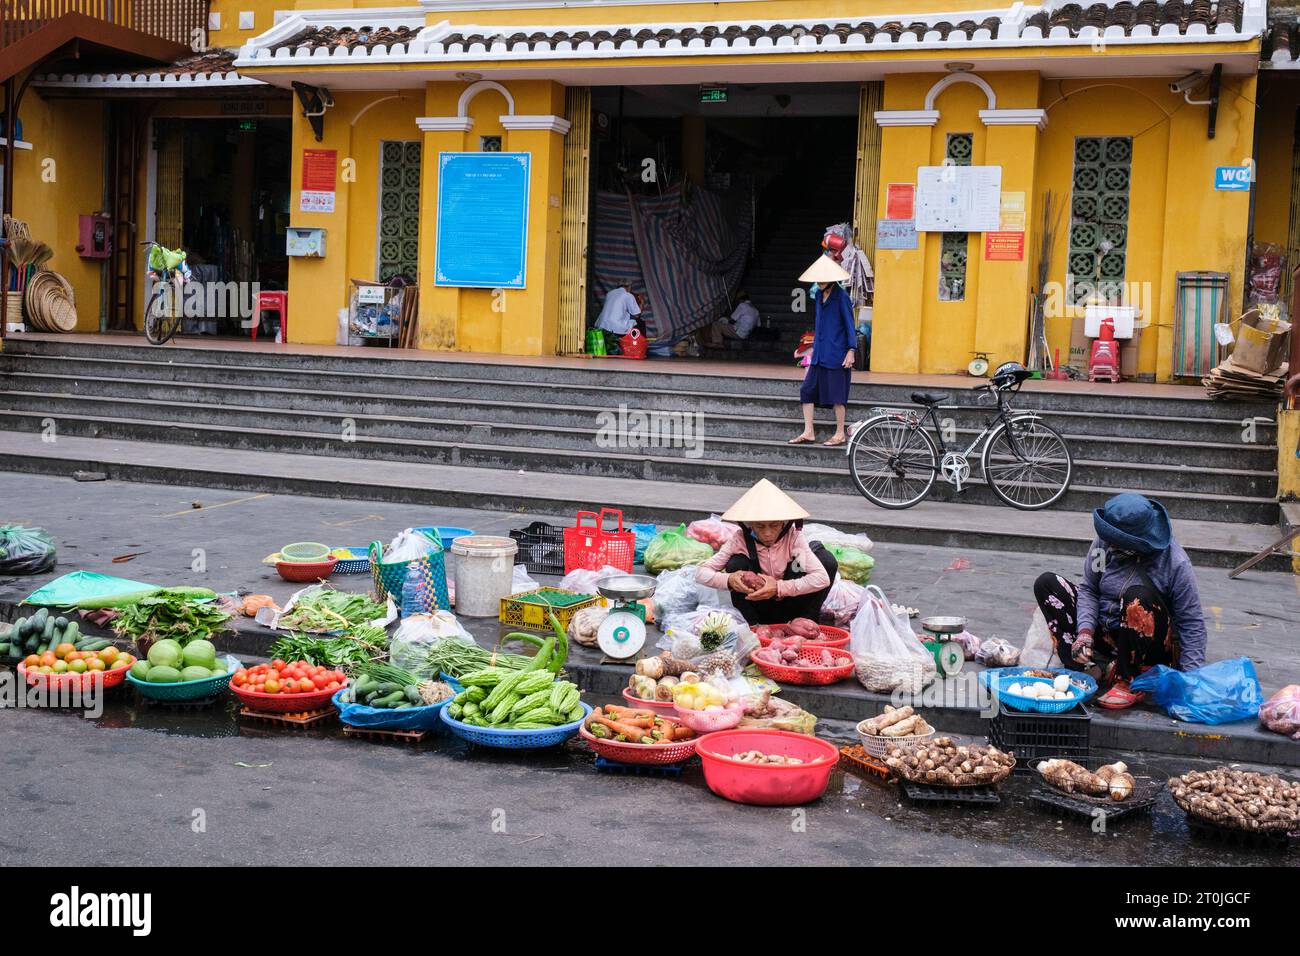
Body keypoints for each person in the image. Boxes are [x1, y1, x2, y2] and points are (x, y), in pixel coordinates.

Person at [1032, 493, 1208, 710]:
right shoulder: (1103, 546)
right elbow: (1089, 589)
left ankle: (1128, 681)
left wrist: (1189, 682)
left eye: (1117, 541)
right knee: (1048, 584)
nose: (1110, 544)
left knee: (1138, 597)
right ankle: (1085, 668)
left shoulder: (1175, 562)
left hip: (1146, 643)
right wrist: (1085, 632)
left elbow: (1192, 623)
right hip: (1105, 631)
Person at [695, 479, 838, 626]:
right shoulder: (740, 540)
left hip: (792, 603)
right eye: (760, 526)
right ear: (750, 525)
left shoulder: (793, 539)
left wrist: (778, 587)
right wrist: (729, 580)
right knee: (736, 563)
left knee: (826, 560)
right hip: (757, 604)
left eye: (774, 525)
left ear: (784, 523)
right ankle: (752, 624)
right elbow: (701, 573)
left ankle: (806, 621)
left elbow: (821, 578)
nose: (768, 533)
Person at [789, 255, 855, 447]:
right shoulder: (818, 295)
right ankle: (809, 431)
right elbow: (820, 325)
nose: (819, 282)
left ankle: (840, 433)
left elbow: (850, 326)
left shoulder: (841, 297)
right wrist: (809, 349)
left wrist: (851, 350)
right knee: (807, 390)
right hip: (819, 353)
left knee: (837, 395)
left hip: (837, 354)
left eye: (822, 278)